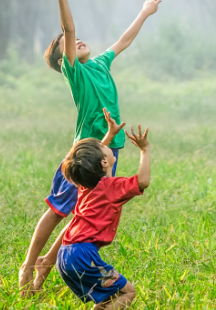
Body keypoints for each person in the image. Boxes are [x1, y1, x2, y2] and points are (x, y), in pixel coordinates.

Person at [17, 0, 160, 294]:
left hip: (111, 148)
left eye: (79, 39)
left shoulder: (99, 63)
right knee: (57, 210)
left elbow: (123, 40)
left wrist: (144, 12)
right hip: (85, 152)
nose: (76, 40)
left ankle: (43, 274)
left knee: (86, 213)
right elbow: (68, 29)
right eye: (66, 44)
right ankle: (28, 266)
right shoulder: (76, 73)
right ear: (61, 61)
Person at [57, 124, 152, 309]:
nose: (107, 146)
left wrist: (109, 134)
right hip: (83, 256)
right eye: (105, 147)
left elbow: (90, 162)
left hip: (65, 255)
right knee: (128, 292)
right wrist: (145, 149)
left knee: (106, 299)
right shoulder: (111, 188)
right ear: (104, 163)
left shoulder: (86, 186)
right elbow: (143, 181)